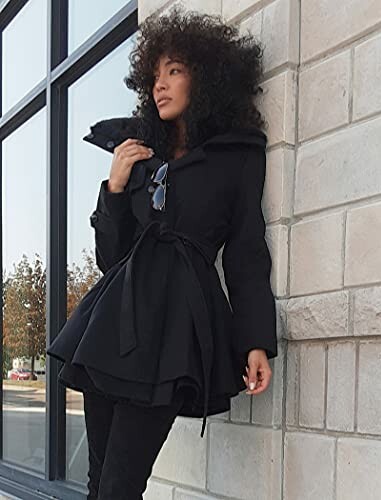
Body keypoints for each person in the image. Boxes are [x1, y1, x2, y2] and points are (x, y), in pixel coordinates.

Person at [46, 5, 278, 499]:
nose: (161, 85)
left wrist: (256, 339)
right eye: (155, 75)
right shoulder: (141, 155)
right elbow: (113, 257)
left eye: (174, 71)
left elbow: (245, 251)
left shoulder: (236, 156)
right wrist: (114, 187)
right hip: (114, 322)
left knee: (120, 485)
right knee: (98, 480)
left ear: (207, 77)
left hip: (175, 324)